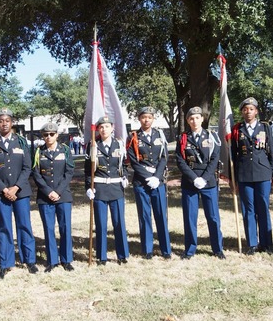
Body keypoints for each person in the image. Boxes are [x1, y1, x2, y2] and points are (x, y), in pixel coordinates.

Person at [0, 108, 38, 278]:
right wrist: (5, 189)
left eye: (7, 120)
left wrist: (15, 188)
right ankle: (5, 263)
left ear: (12, 123)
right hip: (1, 194)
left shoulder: (21, 142)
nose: (4, 123)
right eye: (1, 121)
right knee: (4, 228)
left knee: (24, 226)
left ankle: (29, 260)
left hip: (20, 192)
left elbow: (27, 167)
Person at [175, 107, 224, 259]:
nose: (194, 121)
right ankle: (190, 250)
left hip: (208, 182)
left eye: (197, 118)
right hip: (190, 183)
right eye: (191, 118)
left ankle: (217, 249)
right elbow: (180, 160)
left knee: (213, 217)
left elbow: (215, 158)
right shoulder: (183, 138)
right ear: (187, 121)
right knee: (190, 217)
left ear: (202, 119)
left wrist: (203, 178)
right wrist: (194, 178)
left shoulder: (212, 136)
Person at [231, 98, 273, 255]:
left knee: (263, 208)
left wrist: (272, 173)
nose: (248, 111)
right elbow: (234, 155)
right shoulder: (237, 129)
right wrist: (235, 178)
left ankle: (266, 242)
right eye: (245, 109)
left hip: (263, 172)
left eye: (251, 109)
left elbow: (270, 151)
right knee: (248, 209)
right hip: (244, 174)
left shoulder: (264, 127)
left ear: (256, 111)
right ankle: (252, 243)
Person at [126, 107, 172, 260]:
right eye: (143, 117)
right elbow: (133, 161)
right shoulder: (133, 137)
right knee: (145, 216)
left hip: (157, 182)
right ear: (139, 119)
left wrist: (157, 177)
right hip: (141, 182)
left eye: (149, 117)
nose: (146, 120)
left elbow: (164, 157)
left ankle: (166, 249)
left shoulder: (160, 134)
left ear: (153, 119)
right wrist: (148, 177)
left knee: (161, 215)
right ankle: (147, 250)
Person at [85, 116, 130, 264]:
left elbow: (123, 165)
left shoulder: (119, 144)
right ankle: (101, 256)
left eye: (106, 126)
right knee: (101, 224)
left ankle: (122, 255)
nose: (104, 129)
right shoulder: (93, 145)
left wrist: (125, 177)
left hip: (116, 188)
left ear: (112, 128)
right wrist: (88, 187)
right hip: (100, 189)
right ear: (98, 129)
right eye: (101, 127)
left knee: (119, 223)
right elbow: (88, 170)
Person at [33, 122, 76, 271]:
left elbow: (69, 172)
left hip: (63, 195)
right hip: (45, 197)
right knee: (49, 228)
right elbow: (36, 174)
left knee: (65, 228)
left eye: (52, 134)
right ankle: (52, 260)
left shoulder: (65, 150)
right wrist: (48, 191)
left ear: (57, 135)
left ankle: (66, 259)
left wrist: (57, 191)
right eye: (45, 135)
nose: (49, 137)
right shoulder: (38, 152)